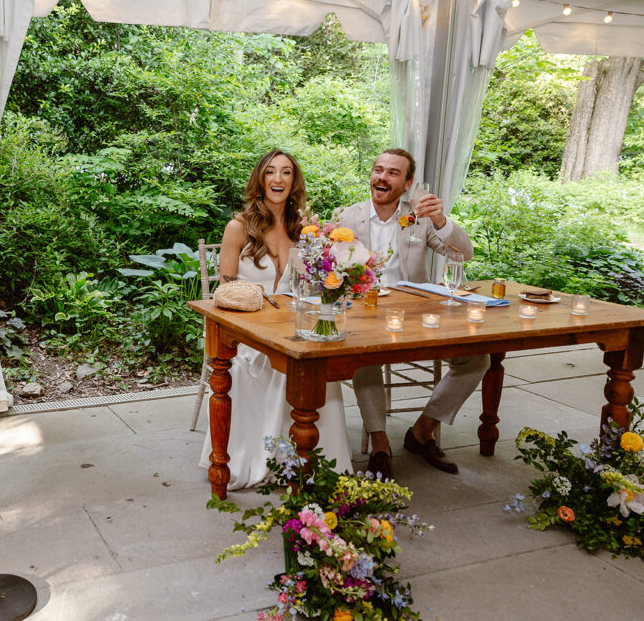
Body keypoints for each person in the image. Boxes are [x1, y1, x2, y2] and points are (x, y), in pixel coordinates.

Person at [200, 150, 353, 489]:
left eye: (286, 172)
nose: (278, 179)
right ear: (261, 180)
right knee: (279, 367)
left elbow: (314, 285)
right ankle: (269, 459)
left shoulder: (305, 230)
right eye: (271, 172)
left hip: (294, 330)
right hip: (247, 336)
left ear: (294, 182)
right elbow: (224, 292)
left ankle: (314, 463)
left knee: (320, 365)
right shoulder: (238, 227)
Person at [335, 148, 489, 480]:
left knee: (478, 358)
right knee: (364, 354)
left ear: (407, 184)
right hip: (365, 312)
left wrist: (441, 221)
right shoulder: (347, 217)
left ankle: (422, 430)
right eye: (378, 170)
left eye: (393, 173)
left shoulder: (419, 218)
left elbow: (465, 253)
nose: (382, 177)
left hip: (415, 315)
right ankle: (380, 444)